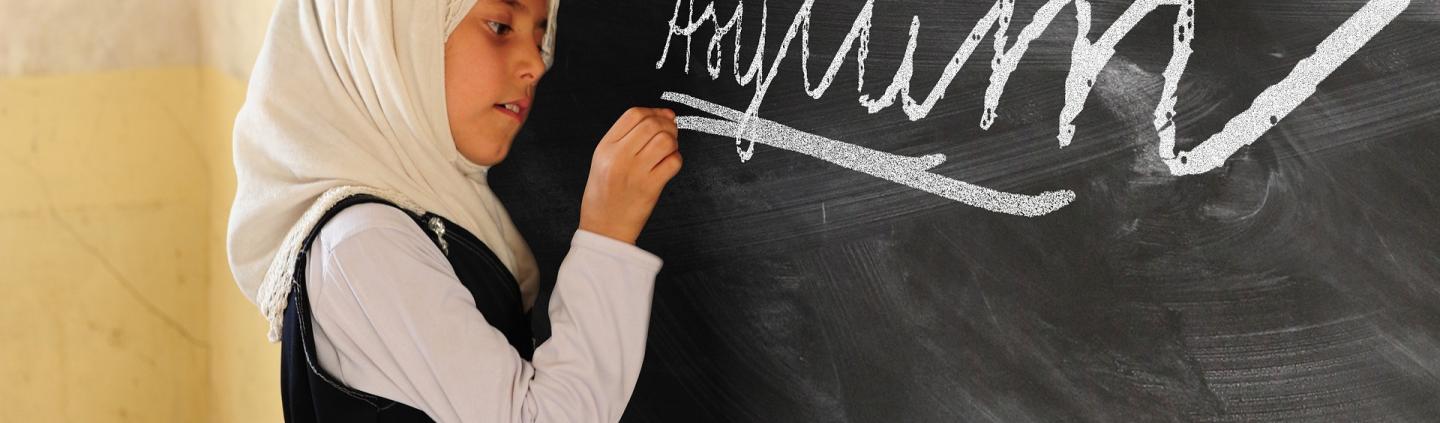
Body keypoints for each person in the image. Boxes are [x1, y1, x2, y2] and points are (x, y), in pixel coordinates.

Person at [225, 0, 682, 421]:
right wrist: (606, 233)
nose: (536, 63)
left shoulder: (424, 222)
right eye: (500, 26)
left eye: (540, 34)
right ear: (394, 34)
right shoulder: (364, 244)